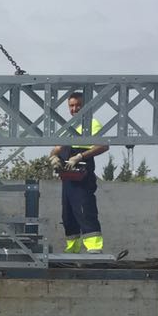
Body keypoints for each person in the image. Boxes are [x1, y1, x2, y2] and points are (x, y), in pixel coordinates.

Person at [51, 91, 108, 252]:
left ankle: (95, 251)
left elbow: (103, 145)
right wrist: (53, 158)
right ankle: (72, 252)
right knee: (68, 217)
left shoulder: (92, 124)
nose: (74, 109)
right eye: (72, 105)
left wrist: (80, 156)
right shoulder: (66, 128)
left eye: (78, 105)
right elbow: (56, 149)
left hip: (83, 179)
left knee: (85, 212)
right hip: (67, 180)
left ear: (85, 106)